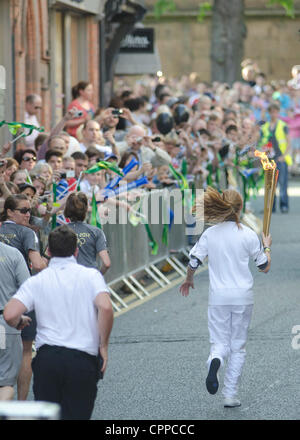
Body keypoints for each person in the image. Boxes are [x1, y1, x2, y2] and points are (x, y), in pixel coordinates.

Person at [4, 225, 114, 420]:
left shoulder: (38, 280)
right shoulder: (91, 276)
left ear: (48, 251)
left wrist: (19, 321)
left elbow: (10, 313)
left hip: (48, 359)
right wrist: (103, 346)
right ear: (76, 250)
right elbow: (105, 308)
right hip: (81, 359)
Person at [180, 187, 272, 408]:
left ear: (222, 205)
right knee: (238, 346)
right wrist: (267, 247)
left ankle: (215, 362)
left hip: (219, 297)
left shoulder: (210, 234)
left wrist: (188, 279)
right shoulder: (249, 234)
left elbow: (193, 262)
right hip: (243, 297)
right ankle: (230, 395)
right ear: (240, 209)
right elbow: (264, 267)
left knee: (219, 343)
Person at [0, 194, 47, 401]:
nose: (28, 215)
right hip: (17, 305)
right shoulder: (27, 233)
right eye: (24, 210)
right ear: (10, 211)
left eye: (30, 211)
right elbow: (37, 265)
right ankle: (19, 405)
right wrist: (49, 257)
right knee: (25, 352)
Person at [0, 242, 31, 401]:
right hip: (4, 324)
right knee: (5, 384)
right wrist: (19, 317)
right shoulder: (13, 254)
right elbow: (27, 288)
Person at [64, 192, 111, 275]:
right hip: (90, 277)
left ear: (67, 209)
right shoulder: (96, 232)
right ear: (86, 210)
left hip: (67, 278)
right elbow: (106, 263)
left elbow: (45, 260)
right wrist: (97, 276)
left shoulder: (59, 232)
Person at [260, 103, 292, 213]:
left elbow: (288, 142)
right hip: (269, 159)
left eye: (275, 112)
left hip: (280, 158)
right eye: (271, 112)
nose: (273, 114)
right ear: (269, 113)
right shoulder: (265, 127)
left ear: (278, 113)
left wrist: (284, 156)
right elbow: (262, 142)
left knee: (282, 183)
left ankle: (284, 205)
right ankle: (271, 207)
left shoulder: (283, 125)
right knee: (270, 184)